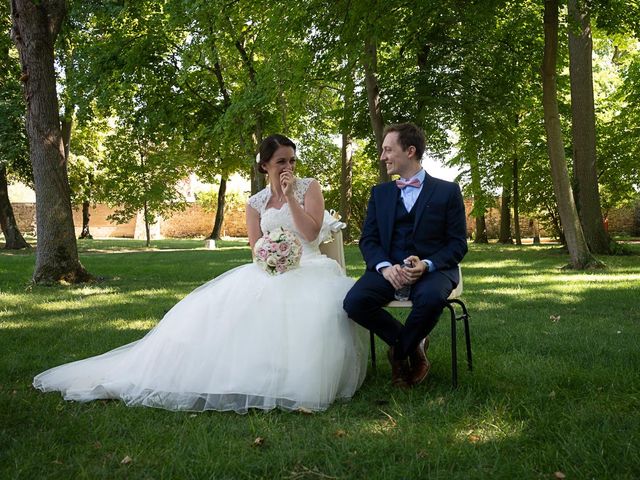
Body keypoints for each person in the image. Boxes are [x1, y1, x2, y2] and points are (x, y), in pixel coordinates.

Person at [33, 134, 368, 413]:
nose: (289, 167)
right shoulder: (255, 203)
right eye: (281, 161)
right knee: (226, 312)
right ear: (265, 165)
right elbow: (255, 248)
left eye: (292, 160)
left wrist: (291, 197)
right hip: (272, 269)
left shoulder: (309, 187)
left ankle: (296, 379)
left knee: (310, 308)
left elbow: (310, 234)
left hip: (310, 268)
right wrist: (271, 257)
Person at [343, 123, 467, 389]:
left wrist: (426, 264)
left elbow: (457, 244)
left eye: (388, 149)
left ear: (410, 151)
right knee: (355, 303)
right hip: (390, 270)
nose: (382, 156)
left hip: (433, 271)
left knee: (431, 298)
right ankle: (414, 346)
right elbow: (369, 239)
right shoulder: (380, 193)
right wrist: (385, 267)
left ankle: (398, 354)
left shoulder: (447, 191)